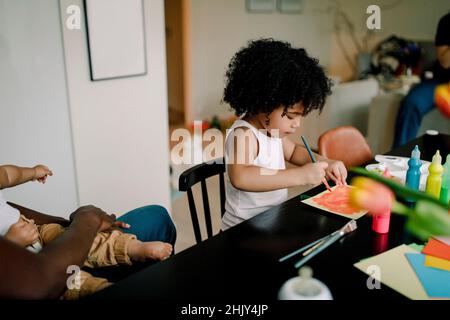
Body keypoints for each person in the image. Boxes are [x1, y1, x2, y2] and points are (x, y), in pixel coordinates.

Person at [221, 39, 347, 230]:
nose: (297, 124)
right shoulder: (244, 134)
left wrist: (325, 163)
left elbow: (294, 151)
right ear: (264, 103)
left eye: (300, 116)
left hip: (272, 221)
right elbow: (241, 177)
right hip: (242, 231)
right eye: (290, 116)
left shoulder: (272, 131)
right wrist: (300, 176)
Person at [0, 164, 176, 299]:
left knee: (153, 218)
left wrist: (32, 172)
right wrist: (12, 242)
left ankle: (132, 247)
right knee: (73, 282)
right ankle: (99, 288)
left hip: (38, 232)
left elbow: (7, 174)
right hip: (25, 272)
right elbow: (38, 280)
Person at [393, 12, 450, 148]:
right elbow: (445, 61)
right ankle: (399, 155)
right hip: (440, 80)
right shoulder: (447, 22)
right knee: (411, 103)